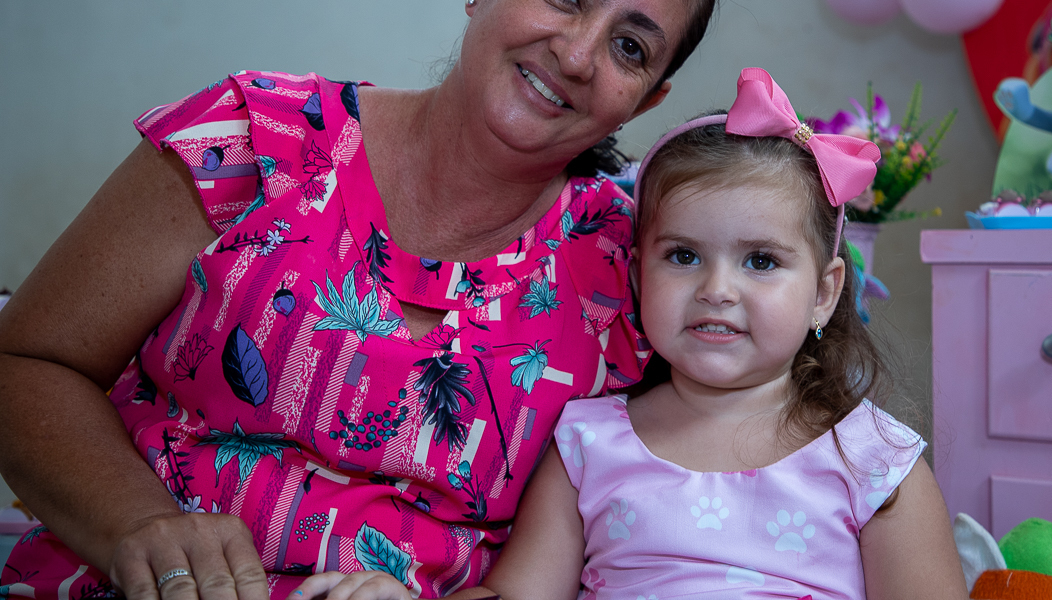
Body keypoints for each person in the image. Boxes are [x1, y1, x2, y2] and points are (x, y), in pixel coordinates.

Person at [0, 0, 719, 600]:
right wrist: (142, 525)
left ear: (648, 100)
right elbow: (23, 364)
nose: (578, 54)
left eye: (630, 47)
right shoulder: (250, 139)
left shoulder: (634, 270)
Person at [293, 68, 967, 600]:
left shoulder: (873, 460)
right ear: (639, 277)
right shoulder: (589, 442)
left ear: (823, 291)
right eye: (683, 255)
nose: (717, 289)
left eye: (761, 261)